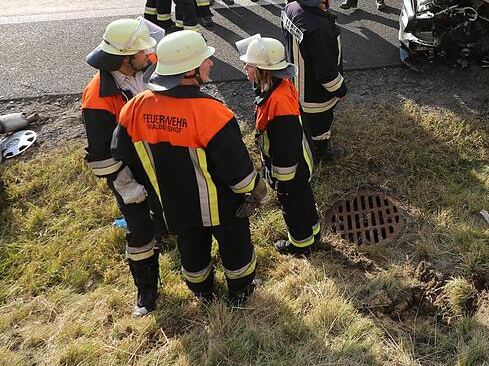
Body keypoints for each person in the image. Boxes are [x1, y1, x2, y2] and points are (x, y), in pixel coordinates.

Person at [112, 31, 267, 304]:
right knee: (236, 249)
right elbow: (239, 175)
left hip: (172, 207)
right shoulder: (212, 113)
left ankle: (202, 292)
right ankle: (240, 292)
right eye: (205, 60)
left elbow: (120, 154)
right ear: (190, 70)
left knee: (191, 251)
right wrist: (259, 191)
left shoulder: (134, 108)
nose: (211, 64)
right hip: (222, 208)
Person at [82, 17, 163, 317]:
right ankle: (146, 289)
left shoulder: (139, 66)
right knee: (140, 229)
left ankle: (165, 231)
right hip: (129, 172)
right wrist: (127, 187)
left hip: (155, 160)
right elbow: (102, 156)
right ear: (125, 58)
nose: (149, 56)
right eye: (143, 52)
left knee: (165, 210)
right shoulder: (98, 98)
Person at [237, 34, 322, 256]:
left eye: (249, 65)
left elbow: (285, 147)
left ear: (264, 70)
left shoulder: (278, 101)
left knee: (293, 207)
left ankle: (301, 245)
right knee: (303, 200)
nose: (245, 68)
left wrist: (282, 181)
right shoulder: (275, 86)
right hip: (298, 166)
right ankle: (314, 232)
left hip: (291, 171)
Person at [282, 0, 347, 159]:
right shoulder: (320, 29)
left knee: (303, 120)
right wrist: (340, 91)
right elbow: (326, 72)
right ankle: (319, 152)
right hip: (314, 94)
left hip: (294, 81)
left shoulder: (291, 8)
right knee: (320, 124)